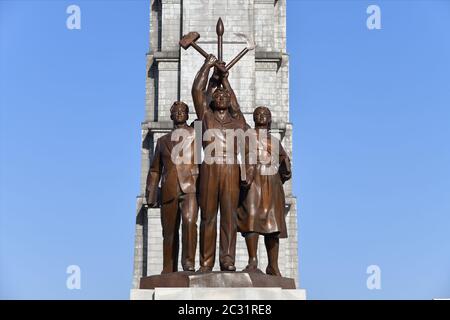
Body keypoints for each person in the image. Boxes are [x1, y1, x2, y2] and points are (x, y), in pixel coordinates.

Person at [191, 54, 250, 272]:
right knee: (208, 217)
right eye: (218, 95)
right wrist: (208, 65)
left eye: (225, 95)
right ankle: (206, 263)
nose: (222, 97)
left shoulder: (238, 121)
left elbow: (236, 105)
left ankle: (227, 259)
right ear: (213, 100)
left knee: (229, 217)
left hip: (231, 170)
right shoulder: (205, 116)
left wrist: (225, 80)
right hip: (210, 168)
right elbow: (197, 90)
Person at [238, 106, 292, 277]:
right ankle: (252, 260)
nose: (262, 116)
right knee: (251, 218)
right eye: (258, 114)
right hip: (254, 180)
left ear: (269, 119)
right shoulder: (247, 135)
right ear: (254, 118)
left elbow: (285, 165)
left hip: (272, 182)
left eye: (265, 115)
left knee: (273, 225)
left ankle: (273, 265)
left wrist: (285, 167)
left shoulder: (275, 142)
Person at [145, 101, 199, 273]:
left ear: (187, 114)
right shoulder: (162, 142)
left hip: (191, 187)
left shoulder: (196, 135)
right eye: (176, 111)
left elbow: (204, 162)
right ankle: (168, 268)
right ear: (171, 115)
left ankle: (188, 263)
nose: (179, 113)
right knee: (169, 232)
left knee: (189, 223)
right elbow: (154, 170)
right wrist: (151, 195)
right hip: (169, 189)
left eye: (182, 110)